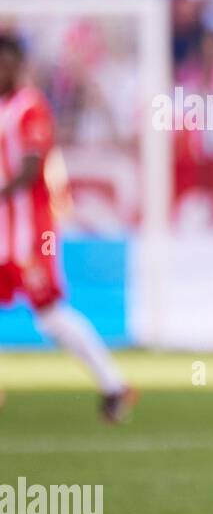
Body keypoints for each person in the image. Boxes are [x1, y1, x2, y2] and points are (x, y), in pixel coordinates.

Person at [0, 34, 136, 422]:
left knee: (49, 314)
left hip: (28, 232)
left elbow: (29, 168)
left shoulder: (30, 108)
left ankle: (114, 385)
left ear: (16, 65)